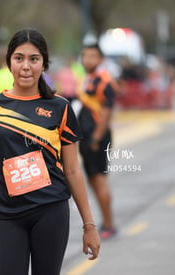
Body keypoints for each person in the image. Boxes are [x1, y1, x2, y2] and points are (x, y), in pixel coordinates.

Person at [0, 28, 100, 275]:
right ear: (9, 62)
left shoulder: (60, 108)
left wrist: (88, 225)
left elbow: (71, 170)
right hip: (6, 214)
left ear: (44, 64)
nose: (26, 66)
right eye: (19, 58)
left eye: (33, 59)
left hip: (51, 211)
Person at [78, 43, 117, 240]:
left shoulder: (105, 81)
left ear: (100, 59)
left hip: (96, 138)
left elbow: (107, 112)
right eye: (85, 56)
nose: (88, 60)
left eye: (93, 56)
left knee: (100, 180)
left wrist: (96, 137)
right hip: (85, 138)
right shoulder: (87, 79)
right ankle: (104, 221)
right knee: (92, 179)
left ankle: (109, 223)